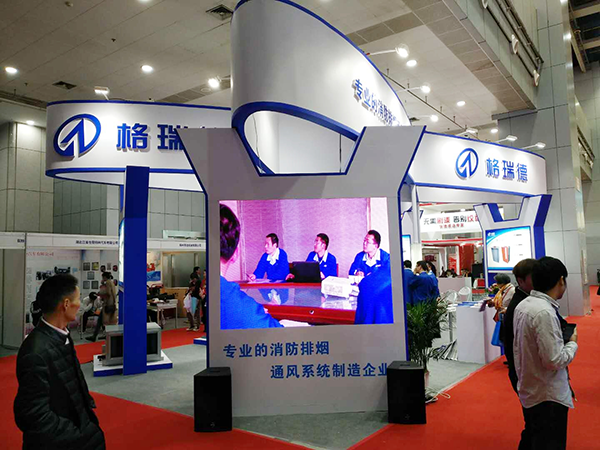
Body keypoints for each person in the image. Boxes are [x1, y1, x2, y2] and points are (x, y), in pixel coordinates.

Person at [14, 274, 106, 449]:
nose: (79, 305)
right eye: (77, 299)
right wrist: (78, 435)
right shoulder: (35, 352)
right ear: (66, 304)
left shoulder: (62, 335)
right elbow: (33, 415)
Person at [513, 256, 578, 450]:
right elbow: (553, 360)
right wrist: (572, 343)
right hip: (547, 395)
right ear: (561, 280)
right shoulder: (544, 312)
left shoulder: (524, 305)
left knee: (534, 438)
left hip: (531, 388)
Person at [221, 205, 283, 329]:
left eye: (267, 244)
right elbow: (259, 270)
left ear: (275, 245)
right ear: (236, 253)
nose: (265, 247)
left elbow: (282, 274)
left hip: (280, 292)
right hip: (267, 294)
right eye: (265, 244)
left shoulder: (282, 255)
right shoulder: (265, 256)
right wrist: (254, 276)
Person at [503, 258, 537, 393]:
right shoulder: (520, 306)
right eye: (535, 277)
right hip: (526, 373)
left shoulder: (529, 299)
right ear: (521, 280)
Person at [86, 272, 117, 342]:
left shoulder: (108, 283)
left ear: (104, 277)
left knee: (102, 321)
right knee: (105, 321)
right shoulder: (112, 283)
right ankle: (103, 335)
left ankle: (95, 336)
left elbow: (108, 293)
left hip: (107, 304)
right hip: (111, 304)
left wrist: (100, 293)